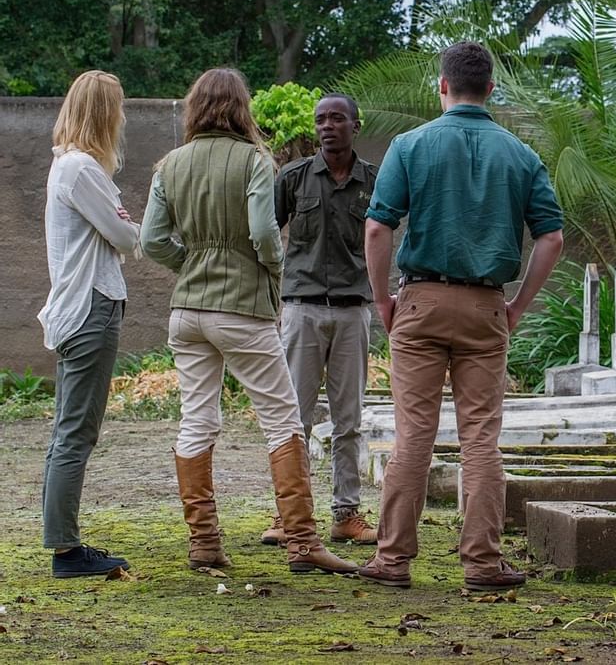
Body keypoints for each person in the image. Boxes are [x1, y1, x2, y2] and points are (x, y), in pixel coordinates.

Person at [361, 41, 564, 590]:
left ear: (442, 86)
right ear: (491, 90)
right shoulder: (521, 154)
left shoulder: (410, 145)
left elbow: (379, 227)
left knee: (413, 438)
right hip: (485, 306)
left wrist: (383, 299)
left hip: (421, 300)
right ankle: (482, 563)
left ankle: (393, 560)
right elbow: (551, 236)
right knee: (480, 440)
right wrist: (518, 304)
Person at [140, 68, 356, 575]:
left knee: (197, 419)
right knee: (282, 419)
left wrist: (189, 264)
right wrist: (272, 269)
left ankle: (205, 543)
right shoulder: (255, 160)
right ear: (242, 108)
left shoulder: (170, 164)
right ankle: (303, 543)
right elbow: (264, 231)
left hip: (187, 311)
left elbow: (151, 240)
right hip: (242, 309)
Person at [259, 93, 378, 548]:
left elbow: (385, 237)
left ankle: (346, 513)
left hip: (352, 311)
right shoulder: (294, 178)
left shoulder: (374, 182)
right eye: (321, 120)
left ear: (355, 125)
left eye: (337, 118)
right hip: (302, 310)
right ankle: (287, 513)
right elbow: (265, 233)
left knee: (349, 419)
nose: (328, 126)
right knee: (294, 418)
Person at [38, 70, 140, 578]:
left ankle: (63, 541)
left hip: (81, 308)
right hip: (90, 309)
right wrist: (154, 231)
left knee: (69, 430)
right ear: (103, 112)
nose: (121, 118)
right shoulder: (81, 169)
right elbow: (122, 235)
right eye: (117, 107)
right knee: (76, 433)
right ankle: (65, 549)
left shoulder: (68, 166)